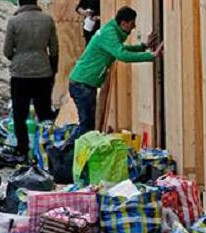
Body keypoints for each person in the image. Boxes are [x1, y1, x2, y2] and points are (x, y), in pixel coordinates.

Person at [68, 6, 163, 139]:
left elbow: (120, 48)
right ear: (123, 23)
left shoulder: (111, 31)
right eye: (132, 23)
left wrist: (143, 47)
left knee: (87, 125)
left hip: (83, 83)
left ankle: (67, 155)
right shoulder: (109, 33)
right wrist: (151, 56)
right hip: (82, 84)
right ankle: (63, 155)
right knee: (86, 127)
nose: (134, 27)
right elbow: (122, 55)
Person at [1, 0, 58, 166]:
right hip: (43, 73)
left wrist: (19, 58)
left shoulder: (14, 21)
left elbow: (6, 51)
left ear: (20, 3)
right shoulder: (48, 20)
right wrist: (52, 69)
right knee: (45, 113)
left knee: (20, 114)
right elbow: (54, 49)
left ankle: (22, 150)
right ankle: (46, 150)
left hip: (21, 74)